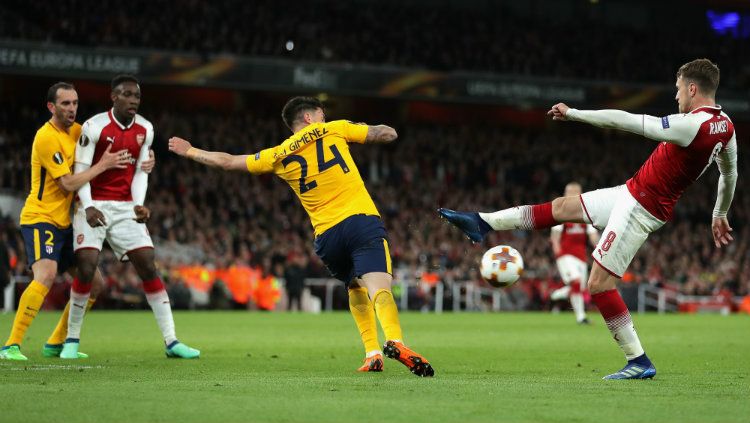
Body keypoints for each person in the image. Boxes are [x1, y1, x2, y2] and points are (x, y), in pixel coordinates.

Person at [439, 58, 737, 380]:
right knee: (561, 208)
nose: (676, 96)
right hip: (631, 192)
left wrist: (575, 113)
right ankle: (482, 222)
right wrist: (719, 212)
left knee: (598, 284)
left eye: (678, 90)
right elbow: (729, 172)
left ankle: (638, 360)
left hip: (641, 208)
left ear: (692, 89)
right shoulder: (726, 126)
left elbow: (626, 120)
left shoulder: (691, 124)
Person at [168, 96, 434, 376]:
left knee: (354, 287)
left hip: (327, 238)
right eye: (320, 114)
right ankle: (394, 340)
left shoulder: (278, 155)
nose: (322, 118)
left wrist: (190, 151)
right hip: (359, 221)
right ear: (309, 117)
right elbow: (385, 134)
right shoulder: (335, 128)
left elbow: (228, 162)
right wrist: (379, 129)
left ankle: (372, 353)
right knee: (379, 287)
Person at [64, 74, 200, 359]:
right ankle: (71, 341)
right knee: (87, 266)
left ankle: (172, 341)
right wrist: (87, 205)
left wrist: (139, 203)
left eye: (137, 96)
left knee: (148, 264)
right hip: (93, 203)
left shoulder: (146, 129)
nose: (133, 100)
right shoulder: (94, 126)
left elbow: (141, 170)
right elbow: (80, 169)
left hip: (125, 206)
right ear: (114, 97)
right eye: (127, 95)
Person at [0, 82, 131, 361]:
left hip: (66, 222)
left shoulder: (78, 132)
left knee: (94, 283)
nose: (72, 108)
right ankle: (10, 345)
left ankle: (55, 342)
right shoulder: (46, 137)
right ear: (51, 106)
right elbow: (69, 182)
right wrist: (102, 166)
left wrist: (142, 158)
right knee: (46, 275)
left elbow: (105, 154)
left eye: (74, 103)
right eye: (65, 104)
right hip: (41, 218)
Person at [549, 182, 599, 324]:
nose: (571, 196)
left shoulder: (585, 214)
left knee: (581, 288)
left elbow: (593, 236)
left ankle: (557, 294)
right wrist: (559, 256)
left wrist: (601, 248)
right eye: (569, 192)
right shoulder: (561, 214)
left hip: (581, 257)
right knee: (576, 283)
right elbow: (555, 238)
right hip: (566, 256)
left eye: (574, 193)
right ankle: (581, 317)